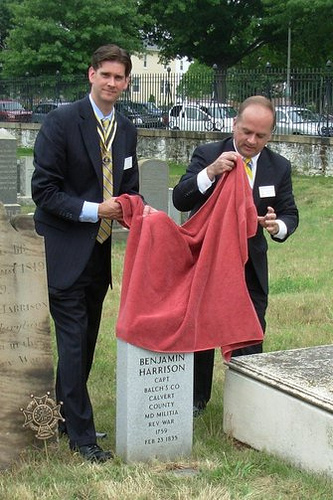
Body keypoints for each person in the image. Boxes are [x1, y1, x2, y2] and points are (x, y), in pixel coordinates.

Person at [32, 44, 140, 462]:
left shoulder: (127, 128)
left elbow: (127, 184)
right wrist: (97, 210)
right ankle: (82, 437)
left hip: (99, 255)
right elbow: (43, 191)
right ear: (90, 74)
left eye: (120, 77)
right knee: (74, 343)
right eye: (106, 74)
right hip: (64, 249)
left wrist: (133, 207)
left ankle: (64, 417)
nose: (112, 83)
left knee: (87, 342)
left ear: (127, 82)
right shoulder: (60, 122)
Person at [172, 95, 299, 415]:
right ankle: (196, 399)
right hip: (207, 261)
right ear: (234, 125)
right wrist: (211, 172)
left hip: (249, 264)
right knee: (200, 331)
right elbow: (180, 199)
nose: (251, 141)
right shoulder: (207, 154)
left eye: (261, 136)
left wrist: (277, 226)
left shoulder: (278, 167)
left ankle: (247, 404)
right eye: (246, 132)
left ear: (271, 135)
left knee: (250, 328)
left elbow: (290, 214)